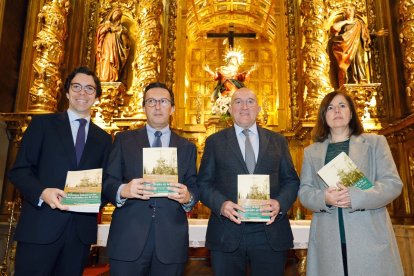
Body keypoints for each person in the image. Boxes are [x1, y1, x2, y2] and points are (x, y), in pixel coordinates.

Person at [8, 66, 112, 276]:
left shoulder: (103, 139)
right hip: (40, 227)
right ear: (67, 92)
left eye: (89, 89)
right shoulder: (42, 125)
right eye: (76, 87)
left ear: (96, 96)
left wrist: (94, 200)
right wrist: (42, 193)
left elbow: (107, 181)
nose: (82, 93)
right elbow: (19, 171)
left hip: (78, 235)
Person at [298, 91, 404, 275]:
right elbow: (305, 192)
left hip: (368, 233)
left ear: (351, 112)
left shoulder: (375, 143)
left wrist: (356, 196)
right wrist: (324, 197)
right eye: (330, 108)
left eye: (342, 106)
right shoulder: (311, 151)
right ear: (324, 116)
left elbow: (393, 184)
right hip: (328, 237)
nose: (336, 111)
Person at [197, 87, 300, 275]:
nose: (244, 106)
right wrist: (221, 205)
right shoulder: (214, 142)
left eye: (250, 101)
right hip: (227, 232)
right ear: (230, 108)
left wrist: (279, 203)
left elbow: (291, 181)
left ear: (259, 108)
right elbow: (203, 183)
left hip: (270, 232)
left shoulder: (278, 141)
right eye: (238, 101)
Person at [103, 82, 198, 275]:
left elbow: (194, 185)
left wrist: (188, 197)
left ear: (172, 108)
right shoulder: (123, 140)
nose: (157, 106)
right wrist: (123, 190)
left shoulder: (187, 147)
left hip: (171, 240)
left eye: (163, 101)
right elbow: (107, 181)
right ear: (144, 107)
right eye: (151, 101)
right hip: (129, 237)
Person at [331, 6, 371, 86]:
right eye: (347, 10)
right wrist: (346, 22)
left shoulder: (359, 23)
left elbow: (366, 34)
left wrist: (376, 34)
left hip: (358, 45)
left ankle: (362, 80)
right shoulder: (343, 23)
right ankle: (351, 81)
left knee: (360, 61)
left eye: (351, 10)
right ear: (345, 13)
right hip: (346, 47)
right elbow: (334, 29)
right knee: (349, 62)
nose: (350, 11)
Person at [96, 7, 130, 82]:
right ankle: (104, 77)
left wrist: (121, 33)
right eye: (115, 13)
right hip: (106, 44)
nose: (117, 15)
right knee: (106, 59)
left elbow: (125, 42)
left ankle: (113, 77)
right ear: (111, 14)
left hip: (116, 46)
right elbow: (99, 33)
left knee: (114, 60)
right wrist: (107, 28)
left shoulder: (121, 28)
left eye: (119, 15)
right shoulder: (106, 24)